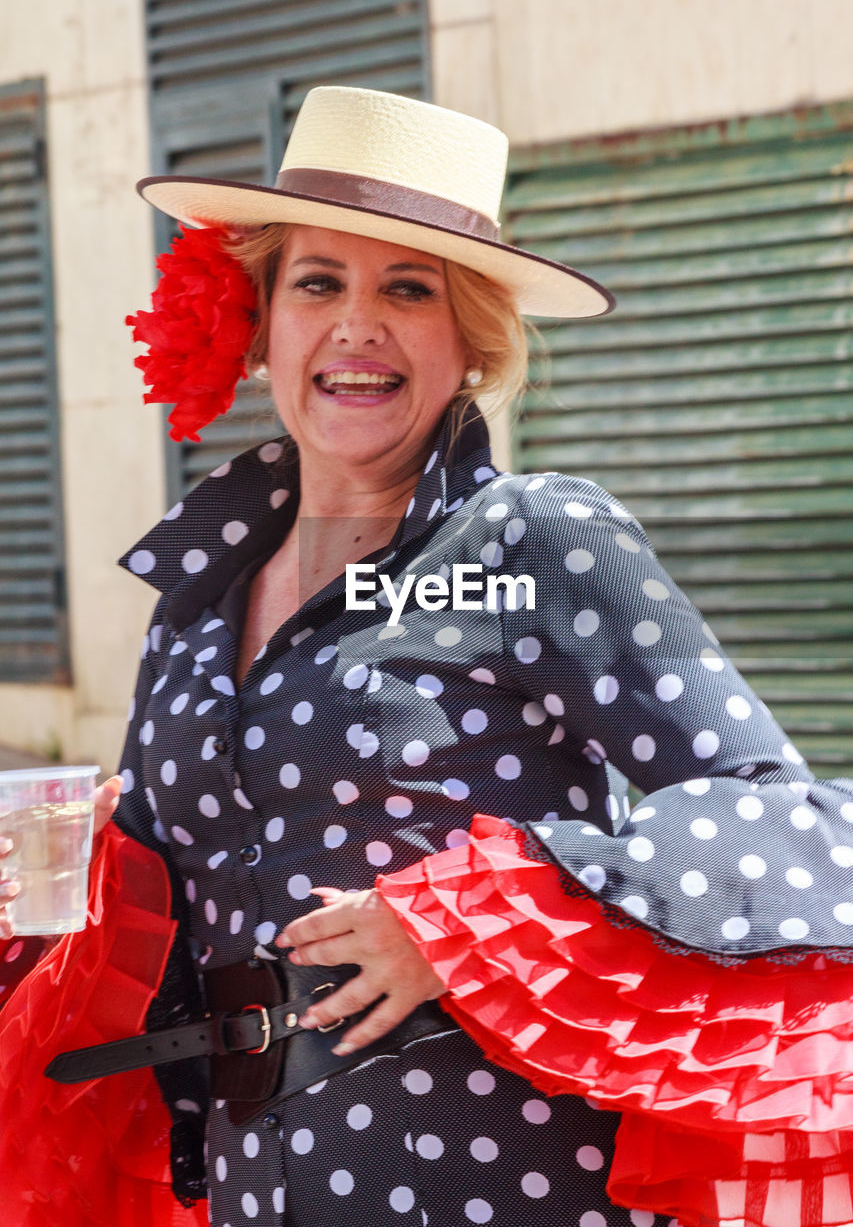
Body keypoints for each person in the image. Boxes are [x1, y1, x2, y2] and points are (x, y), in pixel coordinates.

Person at [1, 85, 852, 1227]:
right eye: (318, 283)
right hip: (257, 1185)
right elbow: (182, 890)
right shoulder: (200, 589)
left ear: (468, 340)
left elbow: (785, 816)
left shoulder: (527, 541)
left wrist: (474, 918)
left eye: (408, 288)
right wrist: (68, 884)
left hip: (502, 1176)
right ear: (259, 323)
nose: (357, 325)